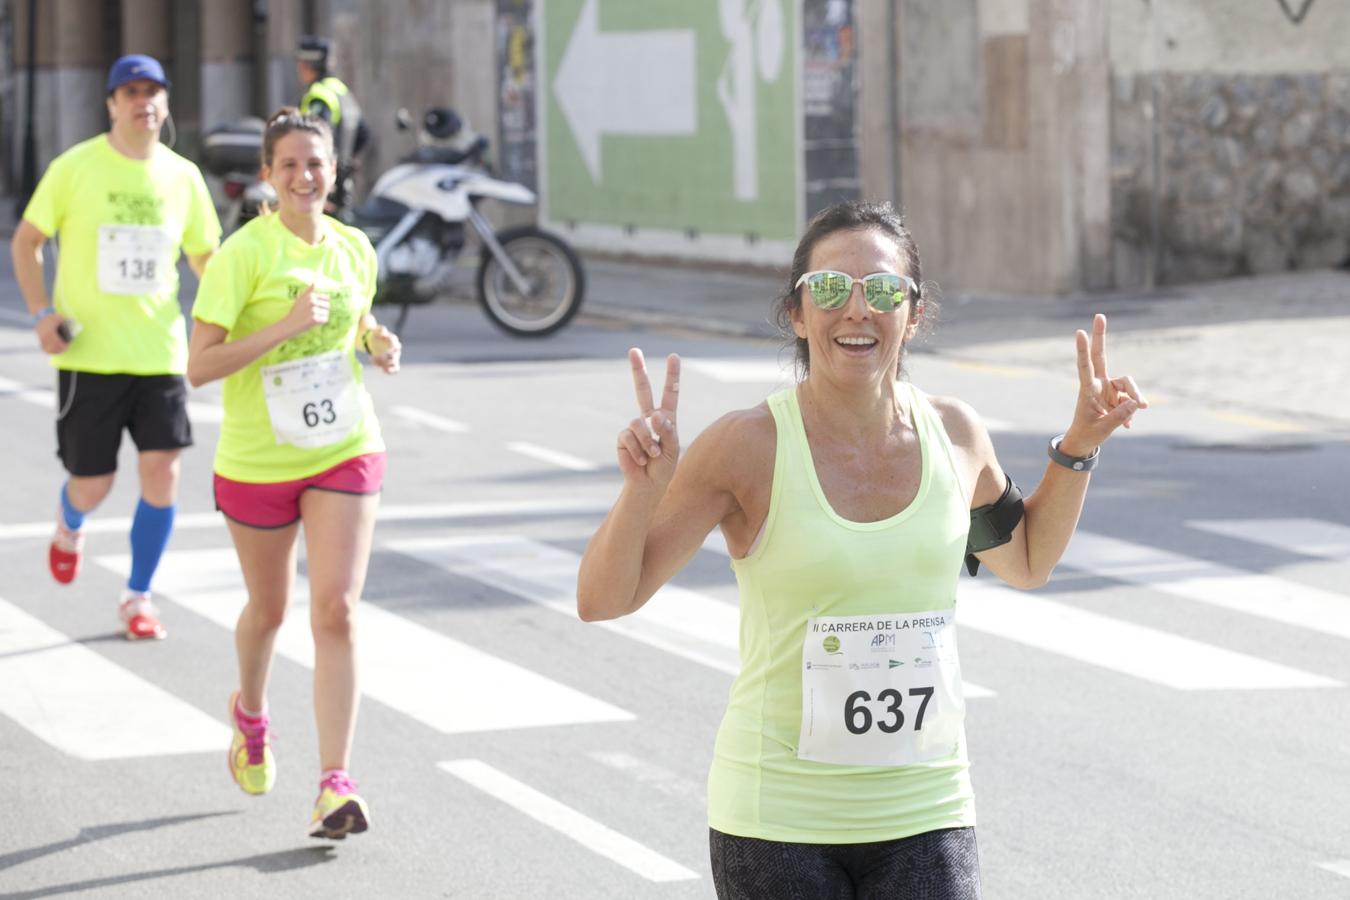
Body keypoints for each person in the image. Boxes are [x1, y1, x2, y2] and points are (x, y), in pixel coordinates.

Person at [576, 201, 1147, 898]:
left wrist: (1079, 446)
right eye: (828, 290)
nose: (856, 310)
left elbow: (1026, 559)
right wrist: (641, 490)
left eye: (882, 292)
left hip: (927, 809)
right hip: (777, 820)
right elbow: (603, 599)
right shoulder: (745, 446)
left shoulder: (955, 434)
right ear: (796, 311)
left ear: (913, 313)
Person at [186, 108, 401, 840]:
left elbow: (359, 316)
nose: (305, 177)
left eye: (317, 164)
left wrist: (376, 339)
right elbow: (198, 366)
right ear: (268, 177)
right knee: (269, 612)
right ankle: (250, 712)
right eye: (290, 166)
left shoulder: (355, 247)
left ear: (334, 172)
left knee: (335, 610)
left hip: (343, 446)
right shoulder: (243, 256)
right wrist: (282, 327)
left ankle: (335, 783)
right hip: (256, 461)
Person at [9, 54, 221, 641]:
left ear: (166, 103)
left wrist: (230, 311)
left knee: (163, 474)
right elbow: (27, 242)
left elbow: (206, 257)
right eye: (130, 92)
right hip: (90, 358)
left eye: (153, 90)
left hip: (159, 355)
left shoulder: (183, 177)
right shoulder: (75, 167)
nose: (142, 101)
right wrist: (42, 313)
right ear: (111, 103)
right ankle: (71, 519)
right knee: (93, 482)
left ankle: (138, 595)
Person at [295, 36, 369, 217]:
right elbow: (364, 134)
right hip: (341, 181)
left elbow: (313, 141)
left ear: (306, 65)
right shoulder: (340, 89)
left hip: (322, 187)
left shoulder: (318, 96)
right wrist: (346, 162)